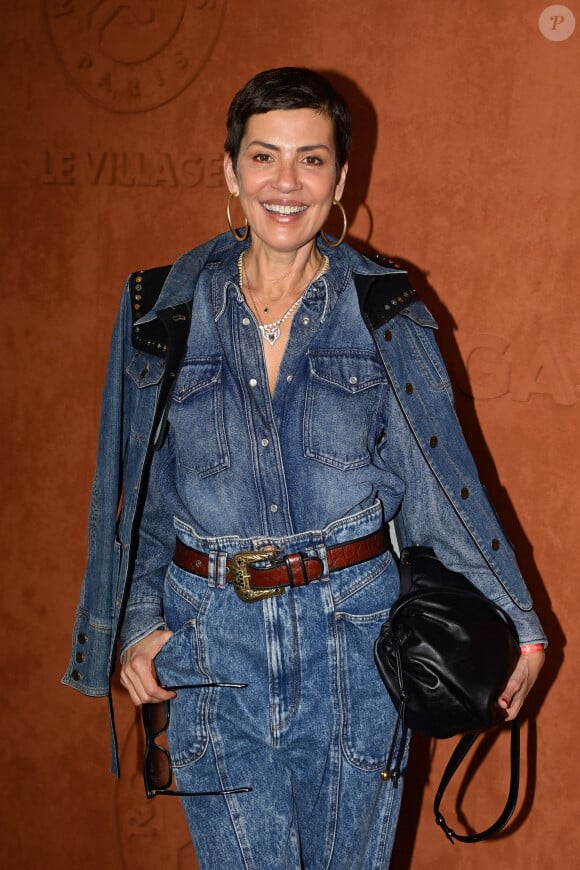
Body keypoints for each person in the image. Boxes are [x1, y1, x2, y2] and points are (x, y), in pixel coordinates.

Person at [64, 67, 546, 869]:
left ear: (340, 179)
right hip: (212, 641)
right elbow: (138, 492)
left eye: (311, 160)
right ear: (230, 170)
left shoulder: (388, 308)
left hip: (353, 643)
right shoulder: (159, 309)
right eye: (264, 157)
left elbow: (439, 485)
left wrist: (520, 626)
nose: (285, 183)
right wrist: (139, 619)